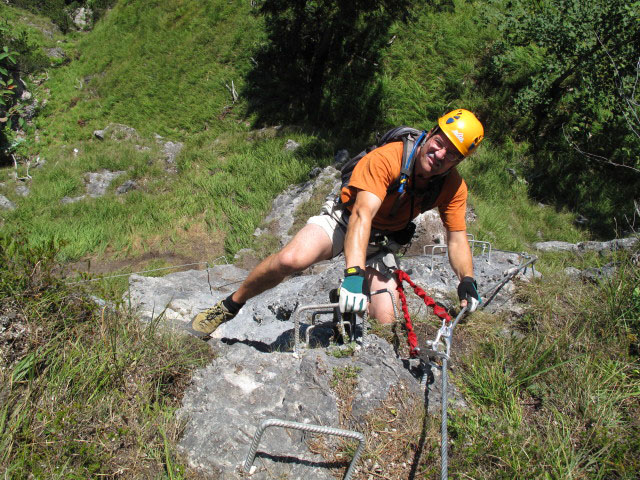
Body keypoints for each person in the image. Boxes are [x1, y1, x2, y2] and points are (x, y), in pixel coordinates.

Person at [188, 109, 484, 339]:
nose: (440, 155)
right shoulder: (388, 158)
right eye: (439, 143)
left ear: (458, 162)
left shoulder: (453, 187)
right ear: (431, 132)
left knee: (387, 319)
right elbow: (361, 216)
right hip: (345, 219)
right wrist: (354, 275)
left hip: (383, 240)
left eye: (452, 155)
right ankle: (229, 306)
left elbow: (456, 237)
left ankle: (343, 309)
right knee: (291, 259)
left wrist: (466, 281)